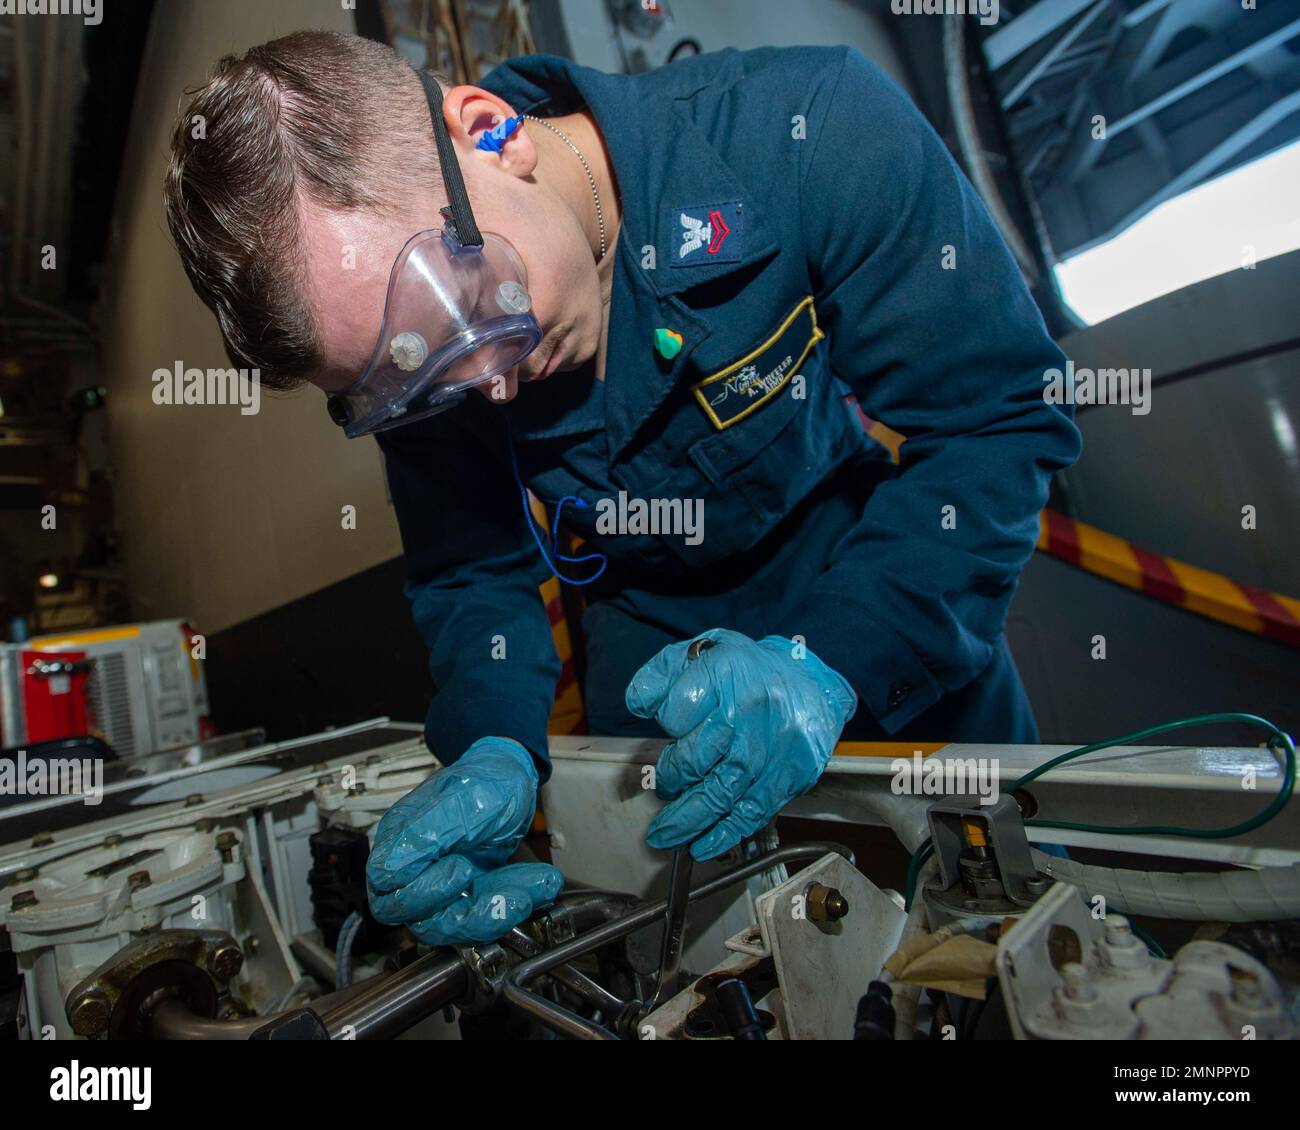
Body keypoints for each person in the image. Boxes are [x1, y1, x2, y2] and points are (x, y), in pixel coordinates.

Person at [164, 31, 1080, 945]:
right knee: (695, 971)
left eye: (469, 310)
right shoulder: (444, 346)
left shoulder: (806, 129)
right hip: (651, 683)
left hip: (889, 607)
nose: (488, 385)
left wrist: (832, 659)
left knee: (1027, 943)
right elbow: (470, 571)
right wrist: (491, 739)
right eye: (417, 381)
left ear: (491, 133)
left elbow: (996, 417)